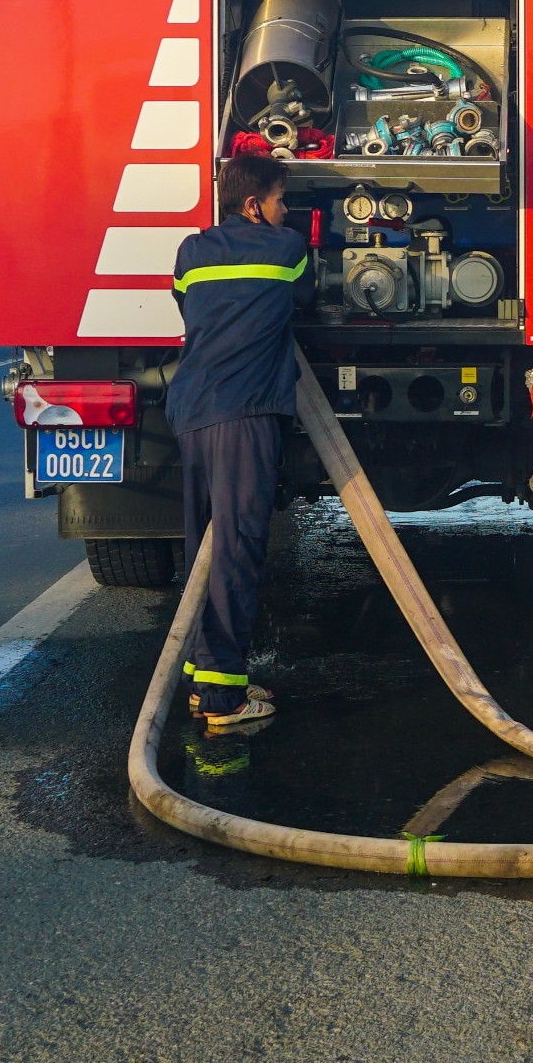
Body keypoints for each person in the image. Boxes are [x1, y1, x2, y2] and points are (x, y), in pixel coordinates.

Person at [168, 151, 315, 734]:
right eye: (282, 201)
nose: (287, 213)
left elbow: (186, 301)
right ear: (254, 205)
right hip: (244, 414)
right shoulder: (285, 251)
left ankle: (207, 676)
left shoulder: (190, 252)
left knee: (203, 545)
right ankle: (226, 698)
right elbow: (305, 300)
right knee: (237, 547)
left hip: (192, 410)